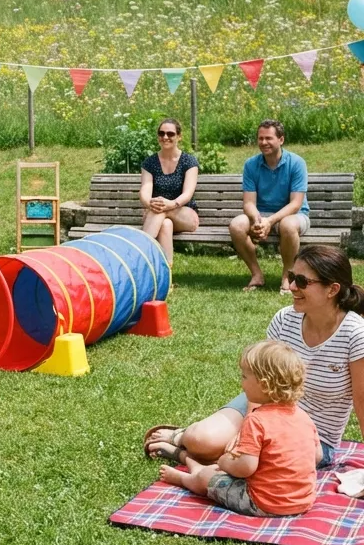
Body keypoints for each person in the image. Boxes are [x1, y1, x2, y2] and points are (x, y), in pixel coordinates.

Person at [145, 246, 364, 471]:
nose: (291, 287)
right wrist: (249, 431)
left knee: (261, 464)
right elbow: (260, 382)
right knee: (204, 441)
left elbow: (362, 401)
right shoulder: (284, 319)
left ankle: (185, 457)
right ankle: (184, 438)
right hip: (260, 406)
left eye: (301, 281)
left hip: (314, 436)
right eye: (291, 277)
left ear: (332, 289)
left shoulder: (356, 335)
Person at [159, 340, 321, 517]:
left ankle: (184, 478)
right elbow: (317, 455)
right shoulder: (303, 417)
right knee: (220, 471)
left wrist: (224, 461)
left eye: (244, 377)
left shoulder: (257, 420)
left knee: (209, 476)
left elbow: (245, 468)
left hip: (264, 503)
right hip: (303, 502)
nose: (241, 384)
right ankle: (190, 461)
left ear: (265, 385)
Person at [229, 120, 309, 292]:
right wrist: (257, 220)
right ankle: (256, 275)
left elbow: (295, 204)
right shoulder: (251, 164)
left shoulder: (296, 163)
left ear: (281, 140)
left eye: (268, 138)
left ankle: (288, 276)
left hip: (294, 215)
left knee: (287, 225)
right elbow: (249, 202)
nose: (263, 142)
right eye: (260, 138)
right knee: (236, 225)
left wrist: (269, 221)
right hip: (263, 214)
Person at [139, 118, 199, 266]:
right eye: (161, 133)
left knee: (162, 213)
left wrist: (170, 204)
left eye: (170, 134)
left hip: (185, 214)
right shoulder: (150, 162)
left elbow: (188, 193)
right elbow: (145, 189)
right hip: (157, 212)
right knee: (165, 224)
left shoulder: (189, 162)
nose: (165, 137)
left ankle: (141, 252)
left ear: (179, 136)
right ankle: (168, 273)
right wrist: (150, 203)